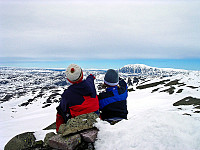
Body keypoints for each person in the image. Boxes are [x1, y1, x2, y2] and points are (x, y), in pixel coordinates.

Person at [56, 64, 99, 132]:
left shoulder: (67, 94)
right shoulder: (90, 85)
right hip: (96, 118)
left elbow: (62, 109)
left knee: (60, 110)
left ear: (69, 80)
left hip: (78, 122)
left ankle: (60, 129)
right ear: (82, 74)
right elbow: (90, 79)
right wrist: (91, 76)